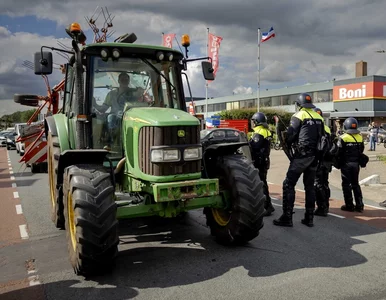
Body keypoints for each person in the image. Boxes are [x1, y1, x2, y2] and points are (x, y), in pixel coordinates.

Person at [273, 93, 324, 227]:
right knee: (309, 187)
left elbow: (290, 136)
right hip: (314, 157)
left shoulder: (299, 116)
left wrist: (286, 138)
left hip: (302, 156)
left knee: (288, 184)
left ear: (299, 104)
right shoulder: (319, 117)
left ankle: (287, 217)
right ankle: (309, 218)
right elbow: (323, 137)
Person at [249, 112, 275, 216]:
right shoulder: (266, 131)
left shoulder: (259, 132)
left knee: (261, 184)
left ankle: (266, 206)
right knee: (263, 182)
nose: (252, 123)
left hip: (259, 161)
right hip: (264, 160)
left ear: (256, 122)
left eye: (253, 121)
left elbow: (254, 146)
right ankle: (269, 205)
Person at [313, 108, 338, 216]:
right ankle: (326, 205)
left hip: (319, 160)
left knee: (318, 184)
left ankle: (321, 208)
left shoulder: (314, 128)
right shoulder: (327, 128)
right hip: (327, 160)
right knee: (325, 183)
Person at [337, 117, 365, 212]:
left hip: (346, 164)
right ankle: (359, 205)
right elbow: (361, 150)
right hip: (356, 164)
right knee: (355, 184)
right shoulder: (360, 137)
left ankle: (349, 205)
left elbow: (338, 151)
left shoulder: (343, 138)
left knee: (346, 184)